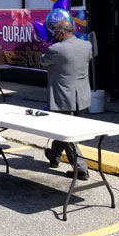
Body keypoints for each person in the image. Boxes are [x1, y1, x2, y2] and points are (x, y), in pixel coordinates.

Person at [40, 19, 93, 181]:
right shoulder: (87, 45)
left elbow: (43, 61)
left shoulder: (56, 49)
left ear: (62, 33)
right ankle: (54, 156)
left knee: (67, 135)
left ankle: (81, 169)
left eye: (56, 32)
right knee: (64, 130)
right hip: (82, 98)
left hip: (63, 98)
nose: (54, 34)